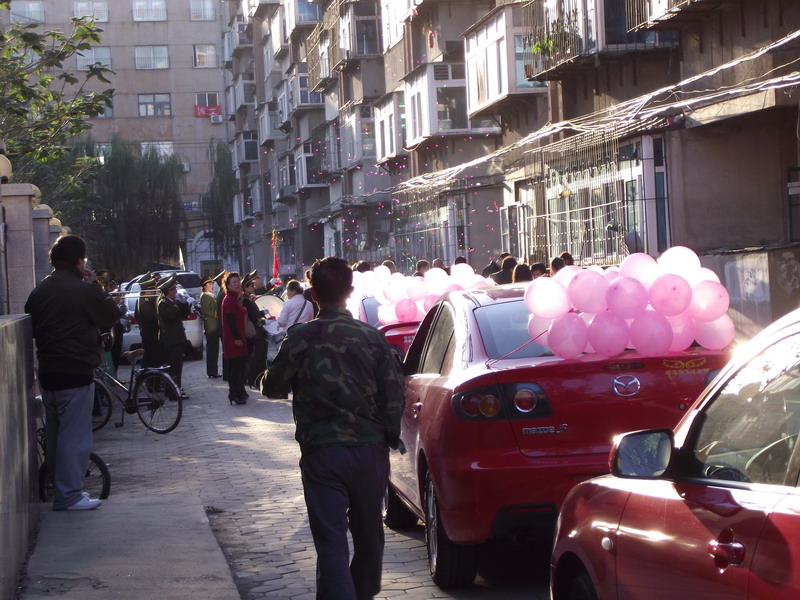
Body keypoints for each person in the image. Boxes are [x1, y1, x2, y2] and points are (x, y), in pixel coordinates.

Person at [262, 257, 405, 600]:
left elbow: (272, 387)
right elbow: (393, 394)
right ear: (350, 291)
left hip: (322, 453)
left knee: (331, 543)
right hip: (369, 451)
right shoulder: (372, 338)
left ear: (313, 294)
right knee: (370, 536)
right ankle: (363, 593)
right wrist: (388, 434)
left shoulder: (300, 338)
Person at [25, 234, 120, 511]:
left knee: (56, 435)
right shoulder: (81, 289)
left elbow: (31, 314)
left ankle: (59, 489)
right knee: (74, 437)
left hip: (48, 372)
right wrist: (94, 287)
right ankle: (69, 495)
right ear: (79, 261)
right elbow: (108, 316)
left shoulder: (41, 290)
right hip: (75, 372)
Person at [157, 276, 190, 398]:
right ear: (169, 290)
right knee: (174, 368)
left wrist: (185, 303)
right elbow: (170, 315)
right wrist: (177, 306)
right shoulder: (163, 303)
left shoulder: (172, 302)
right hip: (171, 340)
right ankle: (173, 392)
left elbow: (184, 314)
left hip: (177, 340)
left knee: (177, 367)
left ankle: (175, 388)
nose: (176, 291)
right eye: (174, 289)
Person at [221, 272, 248, 405]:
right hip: (233, 340)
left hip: (238, 338)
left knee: (239, 366)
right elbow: (231, 321)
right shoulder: (229, 300)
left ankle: (239, 391)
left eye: (238, 281)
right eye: (234, 282)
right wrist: (237, 338)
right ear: (227, 285)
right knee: (235, 368)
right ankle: (233, 393)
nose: (237, 284)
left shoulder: (234, 299)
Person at [242, 274, 267, 388]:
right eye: (251, 286)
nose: (253, 287)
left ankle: (256, 378)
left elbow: (255, 313)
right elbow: (253, 317)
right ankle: (254, 379)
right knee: (256, 358)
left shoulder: (249, 298)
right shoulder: (246, 300)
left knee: (259, 357)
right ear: (246, 288)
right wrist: (262, 320)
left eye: (253, 285)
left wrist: (262, 313)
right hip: (255, 332)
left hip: (257, 331)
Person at [136, 274, 163, 368]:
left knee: (153, 358)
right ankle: (148, 379)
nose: (155, 292)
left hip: (152, 334)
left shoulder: (147, 300)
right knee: (150, 359)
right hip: (150, 335)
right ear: (146, 291)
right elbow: (153, 317)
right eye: (152, 290)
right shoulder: (145, 302)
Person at [200, 276, 221, 378]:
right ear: (204, 287)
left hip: (214, 326)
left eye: (212, 284)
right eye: (209, 284)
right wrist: (216, 313)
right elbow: (206, 310)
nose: (211, 286)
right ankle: (212, 372)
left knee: (215, 350)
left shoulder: (211, 295)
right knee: (212, 350)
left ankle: (214, 371)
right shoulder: (205, 296)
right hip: (211, 326)